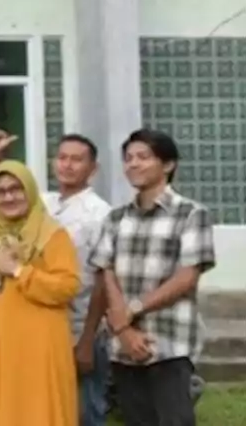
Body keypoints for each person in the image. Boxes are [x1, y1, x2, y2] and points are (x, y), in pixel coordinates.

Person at [90, 129, 215, 426]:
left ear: (168, 165)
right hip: (124, 347)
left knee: (175, 420)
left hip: (170, 341)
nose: (133, 164)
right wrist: (123, 329)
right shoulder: (115, 218)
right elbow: (107, 271)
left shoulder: (191, 214)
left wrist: (131, 310)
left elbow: (187, 276)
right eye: (129, 158)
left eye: (143, 157)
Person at [0, 160, 80, 425]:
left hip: (40, 345)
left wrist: (19, 270)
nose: (9, 197)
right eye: (0, 192)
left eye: (16, 189)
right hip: (6, 343)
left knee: (38, 411)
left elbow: (67, 287)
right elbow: (4, 290)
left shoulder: (53, 234)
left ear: (30, 191)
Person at [43, 135, 114, 426]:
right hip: (45, 325)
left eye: (76, 159)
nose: (67, 165)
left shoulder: (100, 214)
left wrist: (87, 339)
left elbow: (102, 279)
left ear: (92, 168)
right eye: (62, 158)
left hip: (81, 326)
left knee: (84, 412)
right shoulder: (44, 204)